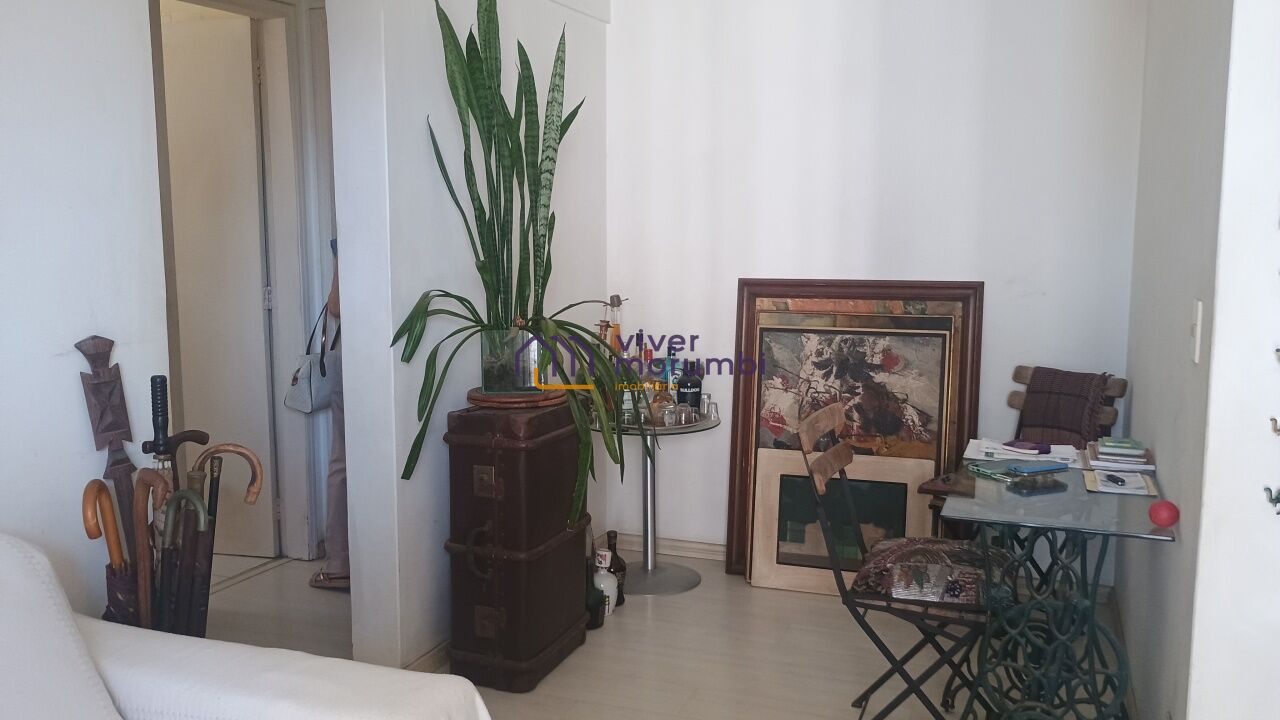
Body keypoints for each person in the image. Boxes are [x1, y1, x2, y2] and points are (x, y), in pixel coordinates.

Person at [311, 239, 349, 590]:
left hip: (352, 357)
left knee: (342, 462)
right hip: (376, 359)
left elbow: (335, 306)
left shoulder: (349, 240)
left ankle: (339, 565)